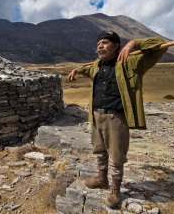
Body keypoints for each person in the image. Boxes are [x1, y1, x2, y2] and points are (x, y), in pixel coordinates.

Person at [67, 30, 167, 208]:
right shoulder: (97, 65)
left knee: (116, 155)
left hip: (116, 117)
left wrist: (133, 43)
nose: (100, 45)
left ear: (116, 46)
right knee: (99, 150)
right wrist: (76, 70)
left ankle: (115, 189)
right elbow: (87, 69)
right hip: (96, 115)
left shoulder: (133, 62)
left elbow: (159, 44)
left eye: (105, 42)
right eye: (99, 43)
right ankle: (101, 178)